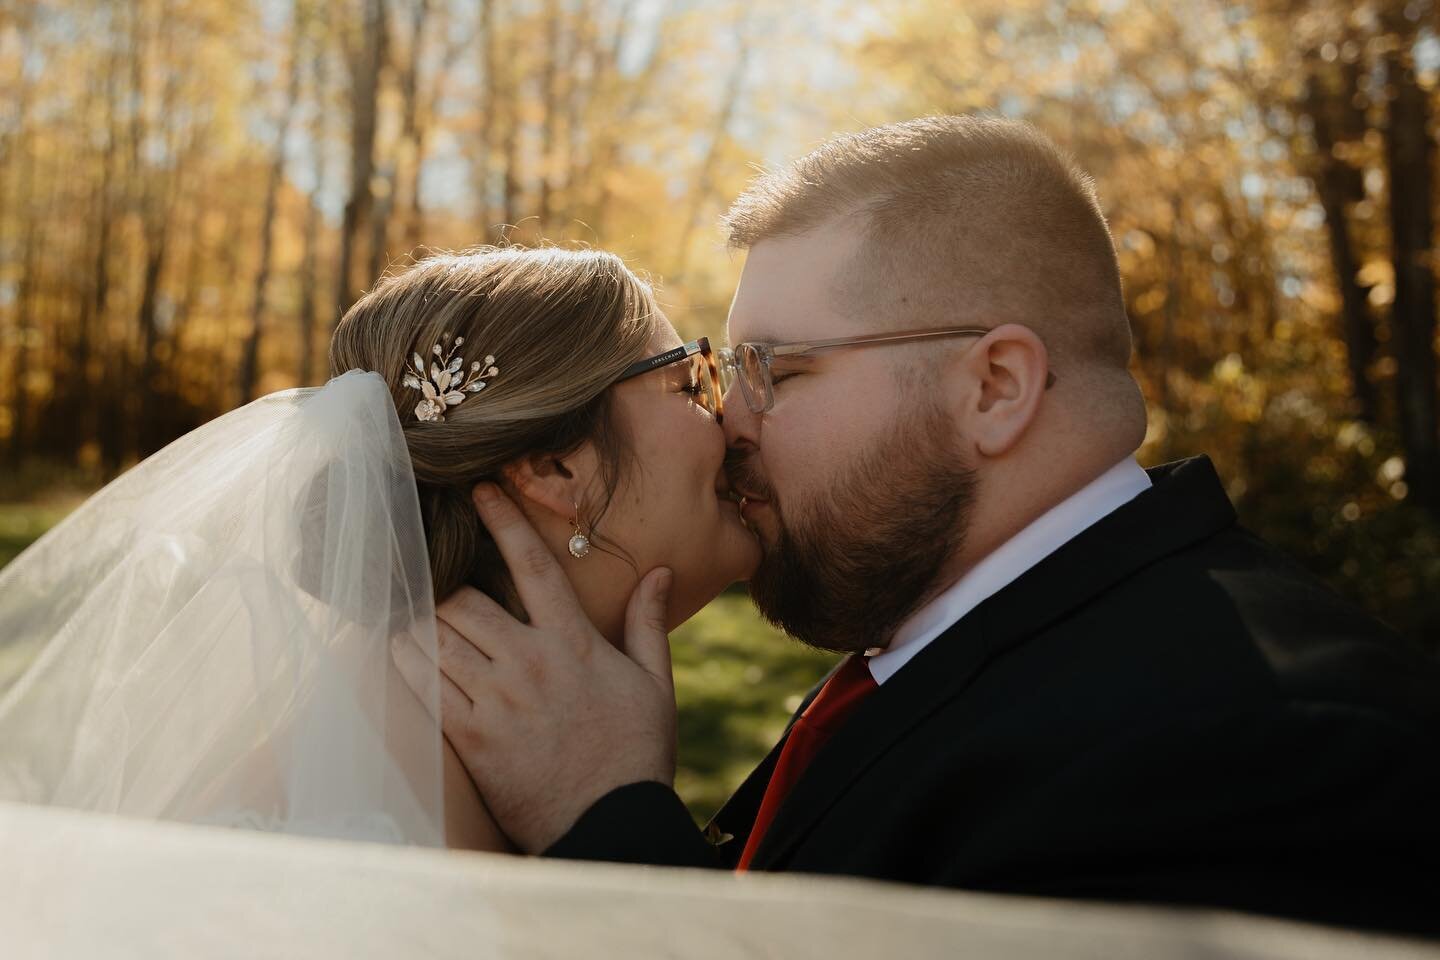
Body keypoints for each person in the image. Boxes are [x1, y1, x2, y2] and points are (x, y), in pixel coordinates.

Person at [412, 117, 1440, 935]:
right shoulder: (941, 634)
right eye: (728, 374)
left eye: (778, 370)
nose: (727, 422)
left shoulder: (1265, 754)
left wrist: (610, 825)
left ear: (993, 386)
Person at [0, 246, 757, 850]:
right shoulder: (388, 842)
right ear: (556, 467)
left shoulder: (388, 736)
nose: (731, 414)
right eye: (691, 380)